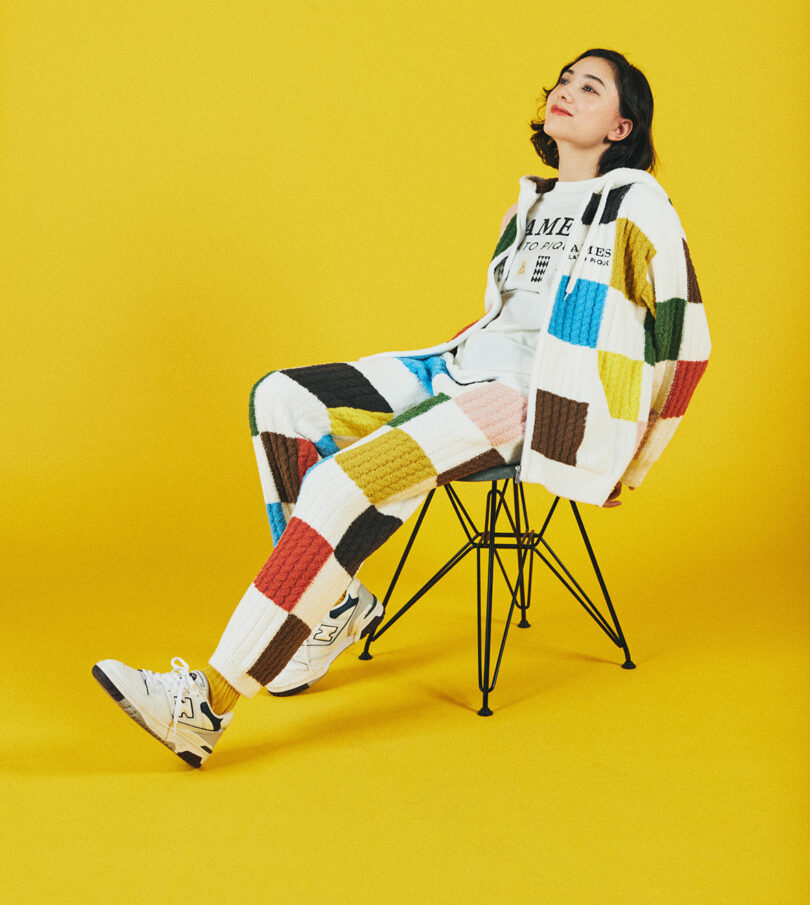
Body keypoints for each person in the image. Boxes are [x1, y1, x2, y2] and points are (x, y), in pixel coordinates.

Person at [92, 48, 711, 768]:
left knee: (337, 483)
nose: (567, 91)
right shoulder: (527, 207)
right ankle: (336, 605)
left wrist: (630, 462)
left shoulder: (636, 203)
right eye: (565, 79)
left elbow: (684, 343)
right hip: (460, 369)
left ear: (621, 125)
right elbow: (507, 318)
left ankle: (207, 703)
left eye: (591, 87)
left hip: (531, 404)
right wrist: (453, 359)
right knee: (281, 400)